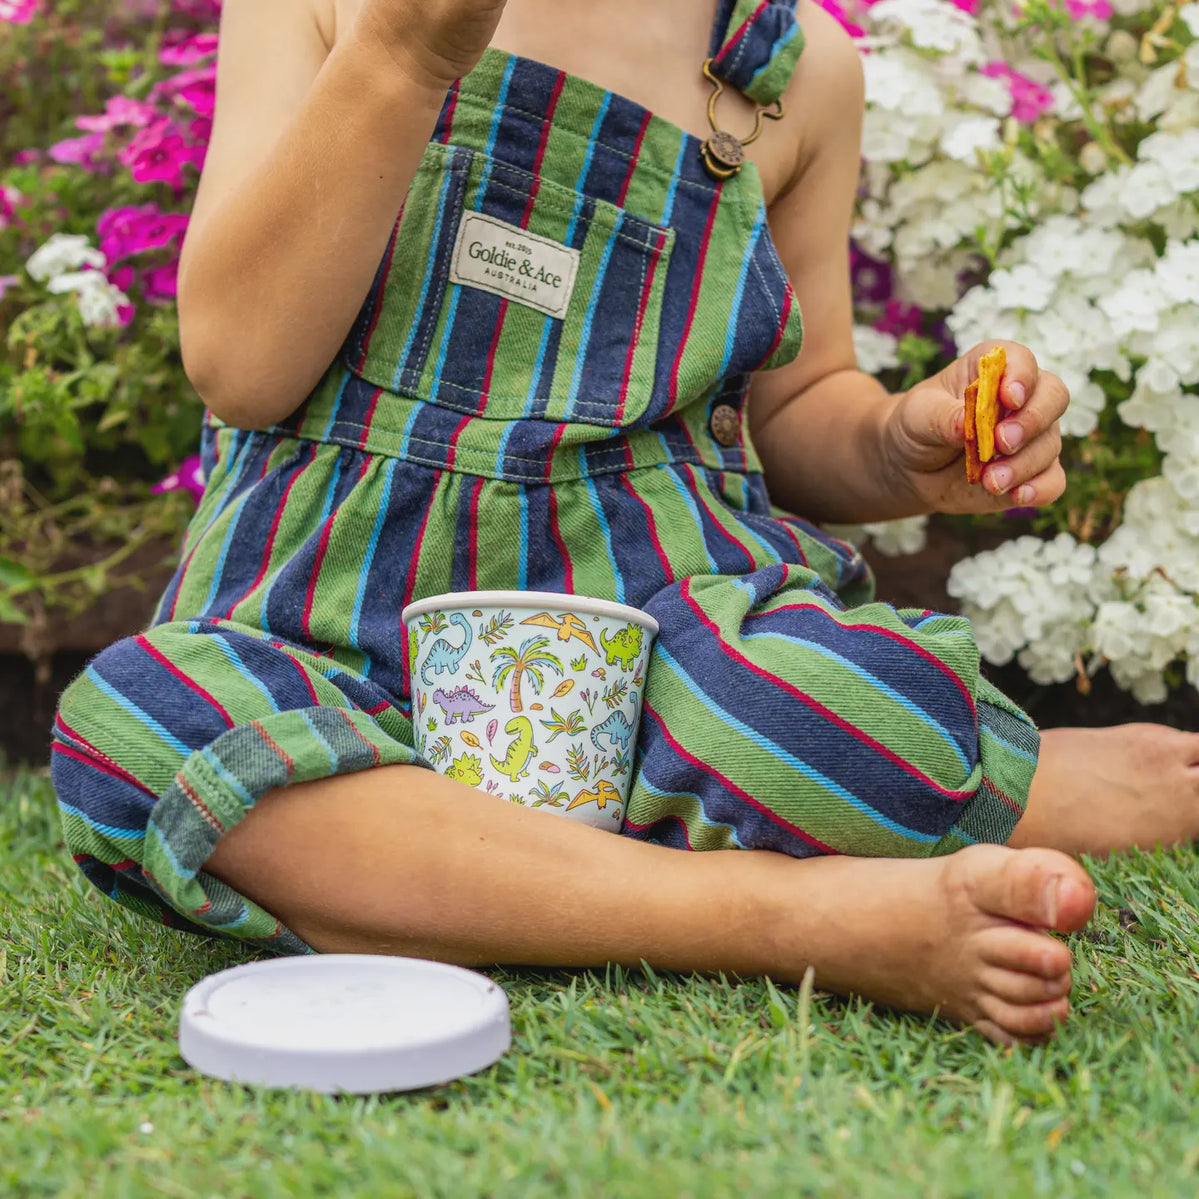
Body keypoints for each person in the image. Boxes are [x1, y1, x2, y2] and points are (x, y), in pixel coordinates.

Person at [51, 0, 1199, 1046]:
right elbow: (239, 368)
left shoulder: (791, 74)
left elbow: (792, 404)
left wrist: (896, 444)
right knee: (142, 730)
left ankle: (447, 868)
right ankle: (799, 908)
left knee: (851, 712)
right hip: (320, 617)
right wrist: (403, 54)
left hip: (651, 618)